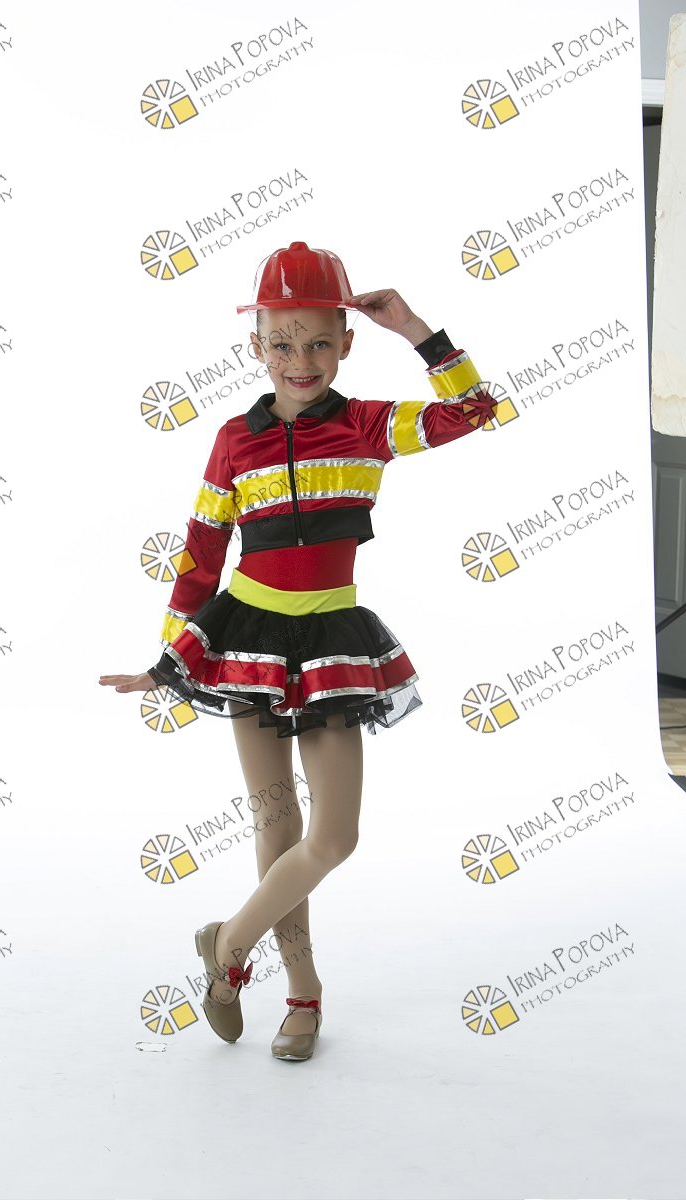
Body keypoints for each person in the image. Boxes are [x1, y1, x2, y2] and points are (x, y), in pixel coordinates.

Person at [99, 241, 498, 1060]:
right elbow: (202, 552)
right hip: (247, 641)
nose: (301, 360)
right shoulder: (232, 440)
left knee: (334, 839)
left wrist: (416, 330)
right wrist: (169, 660)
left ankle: (227, 946)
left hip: (330, 647)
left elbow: (475, 412)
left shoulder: (367, 426)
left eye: (319, 342)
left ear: (346, 342)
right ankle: (302, 997)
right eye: (282, 343)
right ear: (256, 347)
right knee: (278, 832)